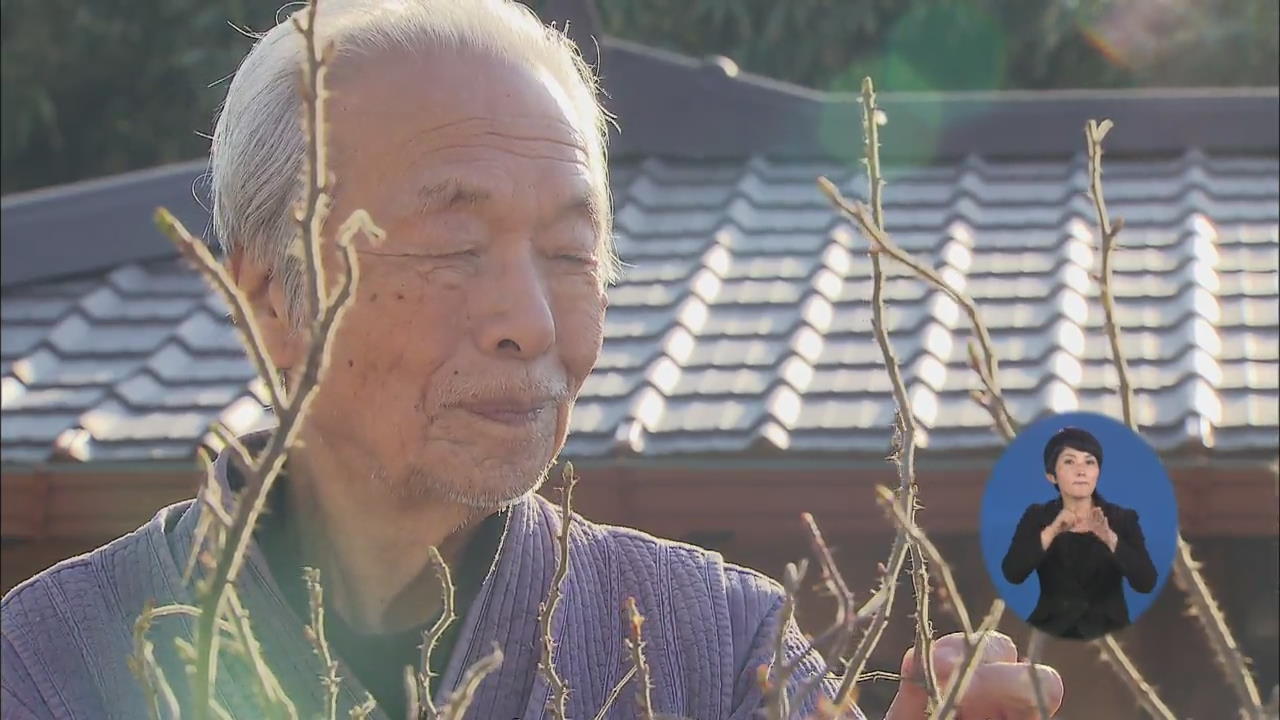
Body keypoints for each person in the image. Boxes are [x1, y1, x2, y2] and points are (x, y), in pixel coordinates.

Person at [1, 2, 1064, 717]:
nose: (530, 323)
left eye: (569, 253)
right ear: (270, 294)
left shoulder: (712, 650)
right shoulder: (46, 667)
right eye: (453, 245)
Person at [1001, 427, 1158, 640]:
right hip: (1050, 633)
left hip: (1112, 635)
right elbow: (1013, 572)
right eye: (1069, 462)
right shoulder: (1038, 516)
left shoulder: (1122, 518)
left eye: (1089, 462)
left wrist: (1109, 537)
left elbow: (1145, 582)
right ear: (1051, 475)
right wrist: (1052, 531)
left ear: (1098, 472)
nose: (1081, 470)